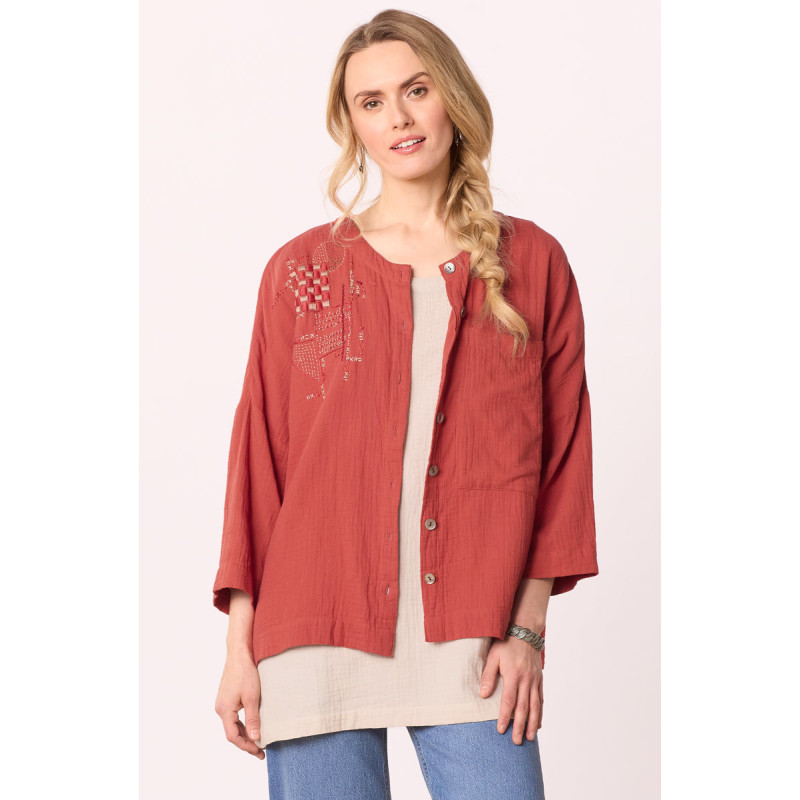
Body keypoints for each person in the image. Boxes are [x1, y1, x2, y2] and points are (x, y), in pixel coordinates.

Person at [212, 9, 599, 799]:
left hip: (476, 638)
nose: (399, 117)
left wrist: (527, 630)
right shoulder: (301, 272)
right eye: (372, 101)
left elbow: (564, 462)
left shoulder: (532, 263)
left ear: (452, 96)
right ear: (352, 124)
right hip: (313, 629)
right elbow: (261, 466)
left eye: (416, 90)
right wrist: (238, 651)